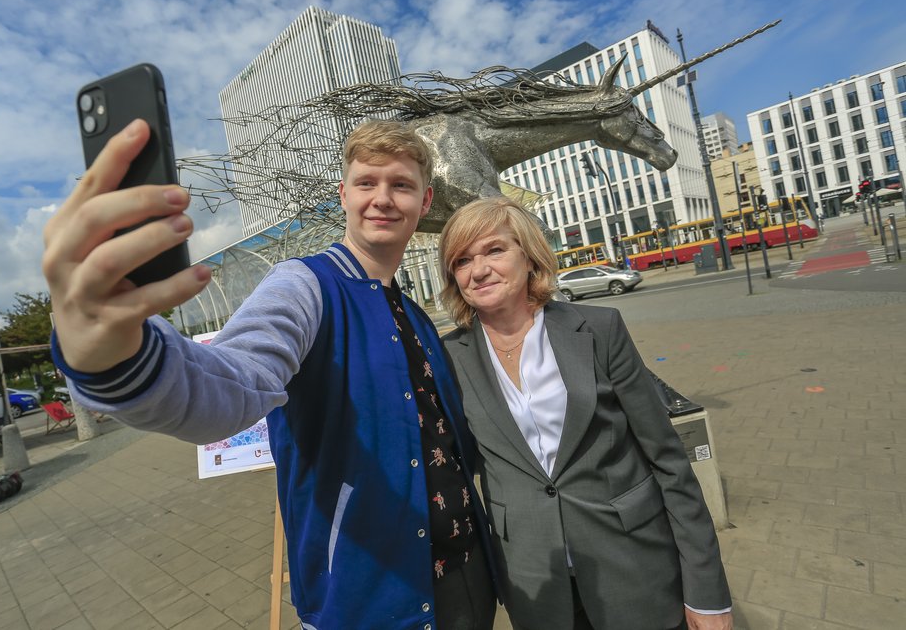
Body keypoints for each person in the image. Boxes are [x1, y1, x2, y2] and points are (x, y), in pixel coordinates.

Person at [42, 119, 496, 629]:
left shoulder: (413, 313)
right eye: (367, 182)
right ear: (343, 193)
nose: (383, 198)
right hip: (365, 599)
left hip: (467, 579)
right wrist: (120, 360)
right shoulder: (304, 285)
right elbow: (235, 382)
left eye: (402, 185)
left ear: (426, 200)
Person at [438, 198, 732, 630]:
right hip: (535, 580)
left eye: (494, 250)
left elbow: (669, 462)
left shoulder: (599, 329)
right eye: (462, 260)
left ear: (528, 255)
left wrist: (707, 595)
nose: (478, 269)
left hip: (633, 566)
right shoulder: (449, 356)